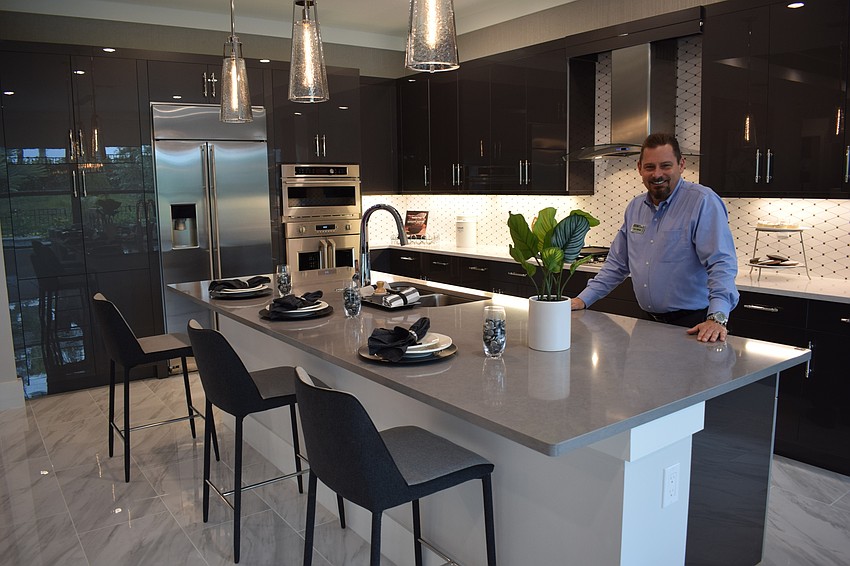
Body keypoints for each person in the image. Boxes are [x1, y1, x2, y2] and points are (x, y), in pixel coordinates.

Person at [571, 133, 739, 343]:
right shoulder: (635, 207)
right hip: (647, 323)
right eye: (650, 167)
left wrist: (717, 318)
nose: (657, 174)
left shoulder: (702, 202)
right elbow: (616, 264)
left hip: (694, 325)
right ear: (640, 168)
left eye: (666, 166)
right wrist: (582, 300)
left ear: (681, 164)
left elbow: (721, 263)